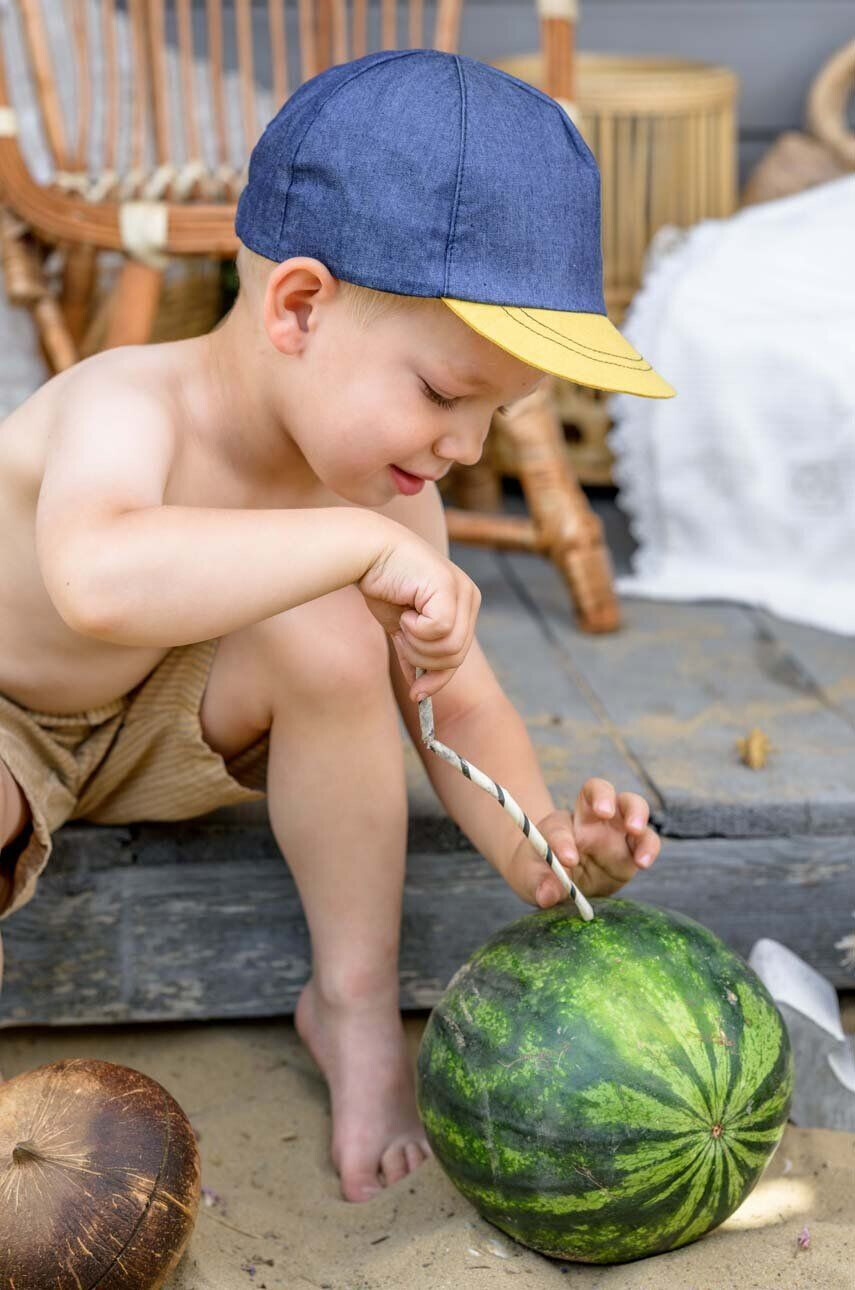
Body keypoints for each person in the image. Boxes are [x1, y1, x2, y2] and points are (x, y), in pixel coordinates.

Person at [0, 50, 673, 1202]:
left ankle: (353, 1005)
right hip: (14, 706)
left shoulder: (390, 493)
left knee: (334, 640)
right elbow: (97, 582)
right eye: (444, 394)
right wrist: (356, 548)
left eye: (496, 413)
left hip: (170, 713)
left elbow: (448, 696)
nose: (465, 449)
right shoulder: (128, 401)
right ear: (298, 306)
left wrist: (542, 849)